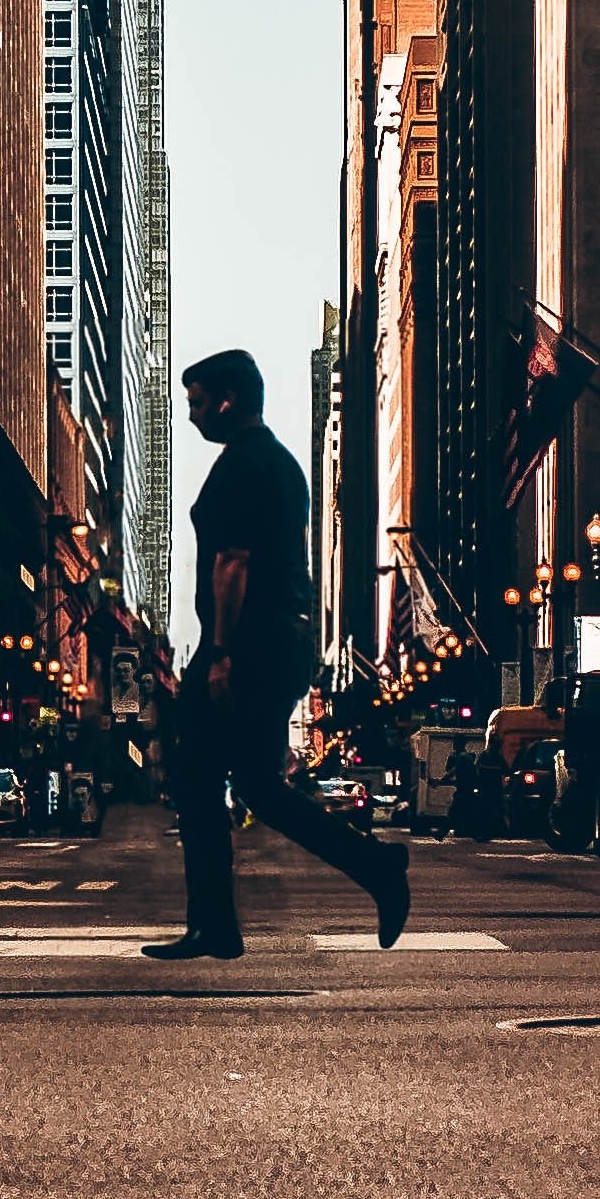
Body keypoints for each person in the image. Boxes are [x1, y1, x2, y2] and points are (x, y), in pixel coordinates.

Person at [150, 348, 412, 958]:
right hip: (273, 643)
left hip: (250, 646)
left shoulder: (246, 465)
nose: (190, 416)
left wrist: (218, 652)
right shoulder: (273, 463)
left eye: (195, 401)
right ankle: (374, 868)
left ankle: (215, 924)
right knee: (255, 786)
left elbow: (233, 563)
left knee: (196, 776)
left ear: (227, 399)